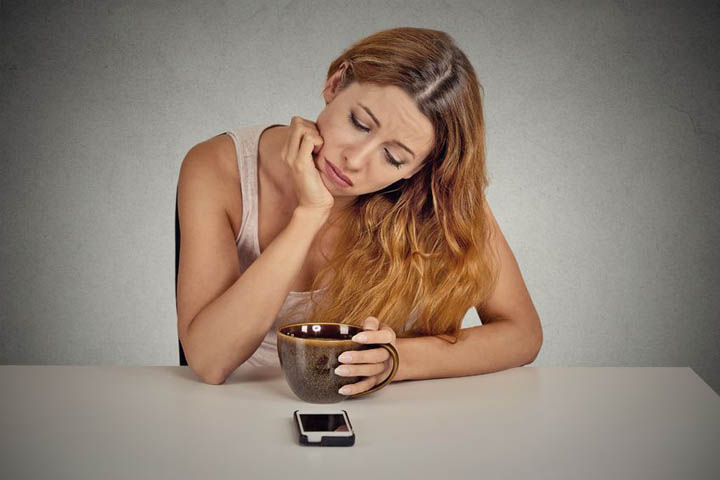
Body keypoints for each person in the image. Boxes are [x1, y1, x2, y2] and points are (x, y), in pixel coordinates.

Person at [176, 27, 543, 390]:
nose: (355, 160)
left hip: (383, 419)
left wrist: (395, 360)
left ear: (419, 169)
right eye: (359, 123)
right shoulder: (218, 167)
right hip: (237, 413)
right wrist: (308, 216)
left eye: (393, 157)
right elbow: (210, 361)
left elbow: (522, 334)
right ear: (335, 84)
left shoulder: (437, 196)